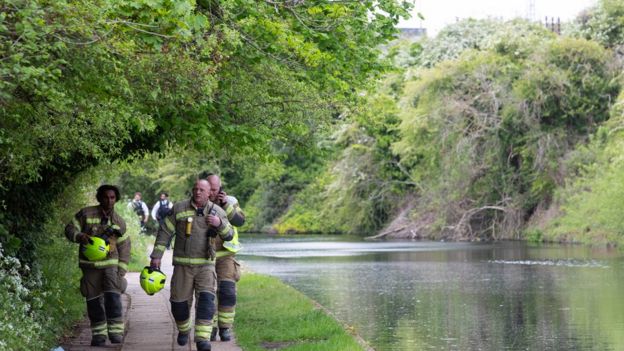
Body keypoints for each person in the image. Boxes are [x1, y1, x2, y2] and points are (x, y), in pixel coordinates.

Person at [149, 179, 234, 351]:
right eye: (195, 189)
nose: (198, 192)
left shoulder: (217, 211)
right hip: (182, 266)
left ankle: (202, 340)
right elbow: (165, 230)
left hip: (206, 267)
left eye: (202, 190)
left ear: (210, 192)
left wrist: (219, 224)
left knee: (206, 303)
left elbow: (229, 235)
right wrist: (156, 256)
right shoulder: (179, 208)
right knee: (178, 304)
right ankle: (183, 329)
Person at [64, 185, 130, 346]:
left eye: (113, 197)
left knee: (113, 298)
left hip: (110, 265)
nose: (109, 200)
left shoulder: (119, 222)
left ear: (116, 199)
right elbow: (69, 229)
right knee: (92, 300)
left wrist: (121, 269)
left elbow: (125, 246)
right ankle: (99, 335)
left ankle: (116, 333)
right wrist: (79, 236)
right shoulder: (86, 214)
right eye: (106, 197)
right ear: (99, 198)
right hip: (90, 265)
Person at [206, 174, 245, 342]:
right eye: (210, 189)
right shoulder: (199, 200)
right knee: (208, 294)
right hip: (205, 256)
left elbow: (240, 221)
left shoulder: (230, 201)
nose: (213, 193)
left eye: (215, 189)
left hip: (226, 255)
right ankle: (211, 328)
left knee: (228, 292)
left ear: (220, 188)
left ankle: (225, 328)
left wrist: (225, 205)